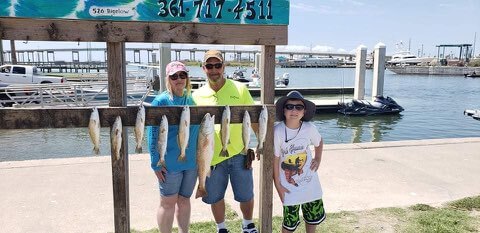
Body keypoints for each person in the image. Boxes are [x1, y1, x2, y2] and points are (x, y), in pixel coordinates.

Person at [192, 50, 258, 233]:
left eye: (218, 65)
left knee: (246, 194)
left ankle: (248, 224)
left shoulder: (240, 89)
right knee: (215, 196)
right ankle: (221, 227)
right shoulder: (196, 96)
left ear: (224, 67)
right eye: (209, 66)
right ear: (203, 68)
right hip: (211, 157)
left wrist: (262, 142)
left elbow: (253, 118)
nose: (214, 70)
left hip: (239, 153)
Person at [147, 61, 199, 233]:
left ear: (187, 78)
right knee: (168, 202)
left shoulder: (191, 100)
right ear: (168, 79)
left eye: (182, 75)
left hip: (191, 163)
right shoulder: (160, 101)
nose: (179, 79)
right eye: (174, 76)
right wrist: (155, 162)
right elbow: (152, 133)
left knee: (185, 200)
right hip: (169, 162)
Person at [273, 90, 326, 233]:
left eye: (299, 107)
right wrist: (278, 186)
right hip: (288, 186)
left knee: (312, 217)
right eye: (289, 106)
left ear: (304, 112)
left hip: (310, 183)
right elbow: (275, 160)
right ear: (283, 110)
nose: (294, 110)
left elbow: (319, 142)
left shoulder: (309, 128)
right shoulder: (277, 131)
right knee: (289, 222)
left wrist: (318, 158)